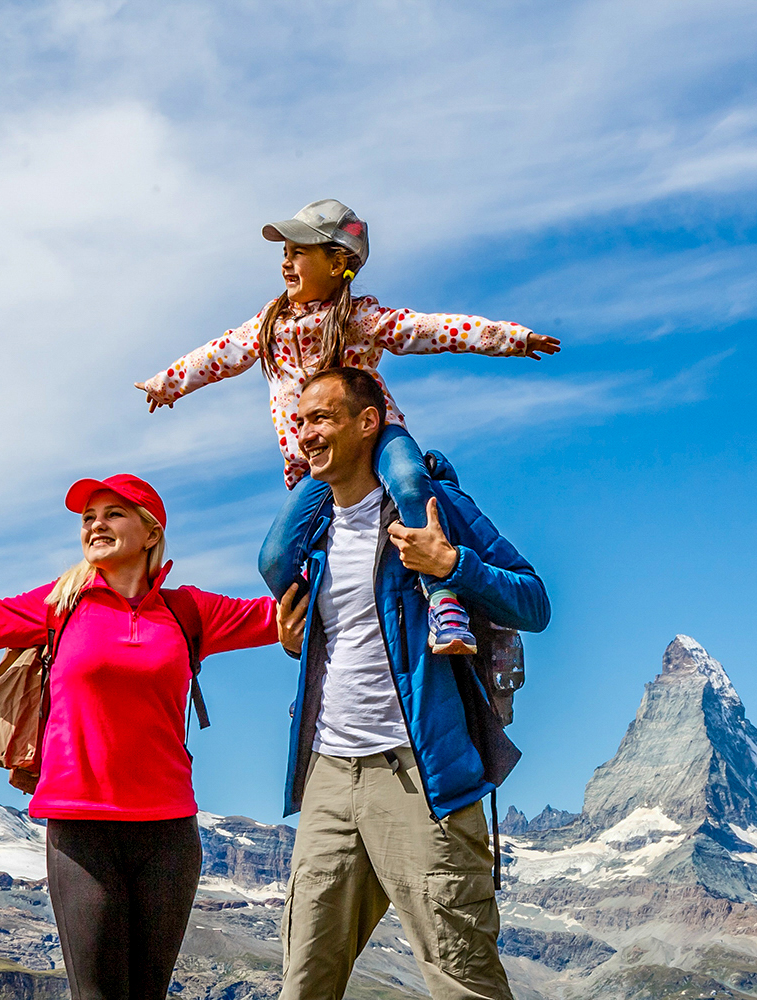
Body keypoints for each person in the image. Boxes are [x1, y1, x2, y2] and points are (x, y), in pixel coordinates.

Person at [0, 474, 282, 1000]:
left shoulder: (189, 612)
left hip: (169, 834)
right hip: (81, 830)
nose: (95, 524)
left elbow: (288, 610)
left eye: (113, 513)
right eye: (87, 518)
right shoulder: (60, 605)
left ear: (150, 531)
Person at [135, 199, 559, 656]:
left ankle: (442, 598)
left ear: (338, 261)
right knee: (275, 557)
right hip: (318, 462)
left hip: (378, 438)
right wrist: (168, 384)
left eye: (298, 252)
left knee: (411, 481)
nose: (285, 262)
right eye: (284, 254)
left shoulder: (359, 317)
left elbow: (430, 329)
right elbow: (219, 353)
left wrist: (509, 338)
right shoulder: (270, 324)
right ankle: (314, 622)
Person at [269, 367, 551, 1000]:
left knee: (461, 980)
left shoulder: (431, 507)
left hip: (421, 778)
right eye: (301, 419)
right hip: (328, 776)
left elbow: (533, 601)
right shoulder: (313, 536)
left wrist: (451, 564)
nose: (306, 432)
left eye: (322, 418)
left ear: (368, 423)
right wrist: (298, 640)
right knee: (304, 983)